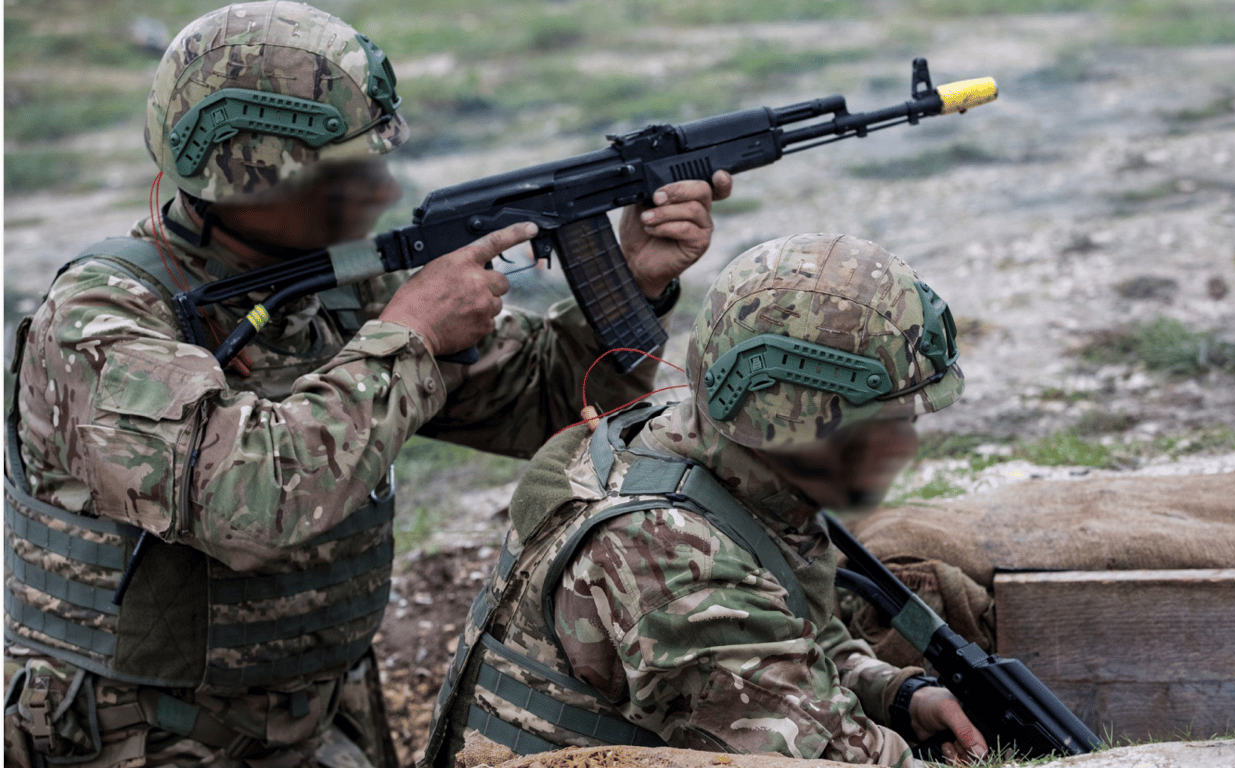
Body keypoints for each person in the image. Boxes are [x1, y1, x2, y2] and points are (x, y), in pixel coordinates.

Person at [1, 2, 731, 767]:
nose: (380, 191)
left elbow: (544, 405)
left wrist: (631, 285)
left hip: (320, 721)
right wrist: (411, 337)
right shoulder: (101, 322)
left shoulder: (341, 287)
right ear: (251, 173)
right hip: (130, 739)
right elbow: (245, 506)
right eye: (347, 173)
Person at [421, 233, 991, 768]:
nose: (908, 442)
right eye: (892, 420)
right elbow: (835, 757)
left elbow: (787, 629)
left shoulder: (689, 449)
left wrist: (896, 694)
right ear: (790, 420)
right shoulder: (674, 559)